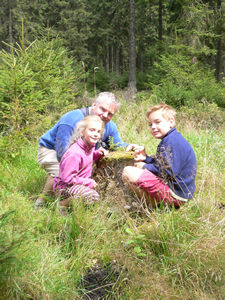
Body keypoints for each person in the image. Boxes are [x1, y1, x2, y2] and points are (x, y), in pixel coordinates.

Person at [35, 92, 130, 209]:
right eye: (102, 109)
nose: (105, 115)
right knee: (61, 172)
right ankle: (43, 201)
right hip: (51, 149)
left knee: (77, 174)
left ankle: (72, 201)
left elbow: (117, 144)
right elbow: (62, 152)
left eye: (110, 114)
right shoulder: (72, 119)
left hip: (80, 154)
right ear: (94, 104)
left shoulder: (107, 124)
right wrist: (83, 179)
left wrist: (129, 147)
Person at [122, 103, 197, 208]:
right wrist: (146, 159)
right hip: (182, 193)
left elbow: (168, 171)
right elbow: (164, 164)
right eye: (150, 124)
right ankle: (156, 205)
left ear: (171, 122)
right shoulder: (173, 138)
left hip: (175, 194)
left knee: (127, 172)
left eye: (157, 122)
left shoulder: (171, 140)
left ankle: (157, 207)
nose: (153, 127)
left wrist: (144, 166)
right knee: (136, 170)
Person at [53, 115, 108, 215]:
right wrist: (88, 182)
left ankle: (74, 208)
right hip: (64, 187)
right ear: (82, 132)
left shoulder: (88, 147)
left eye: (98, 131)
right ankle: (63, 204)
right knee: (93, 196)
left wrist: (97, 154)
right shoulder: (75, 153)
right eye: (92, 130)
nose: (96, 134)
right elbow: (67, 179)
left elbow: (86, 160)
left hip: (74, 184)